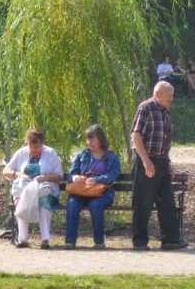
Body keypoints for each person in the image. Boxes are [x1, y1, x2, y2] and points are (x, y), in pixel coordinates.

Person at [129, 81, 187, 250]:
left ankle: (170, 240)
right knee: (143, 203)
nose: (172, 98)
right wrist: (146, 162)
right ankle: (139, 242)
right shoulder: (146, 108)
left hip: (161, 161)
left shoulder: (165, 112)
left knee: (167, 202)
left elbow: (165, 141)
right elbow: (136, 135)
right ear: (158, 94)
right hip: (145, 160)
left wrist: (168, 163)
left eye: (172, 95)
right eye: (169, 95)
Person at [2, 128, 64, 248]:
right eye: (31, 147)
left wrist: (45, 177)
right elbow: (6, 171)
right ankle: (23, 239)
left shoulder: (51, 153)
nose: (34, 150)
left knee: (44, 204)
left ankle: (45, 240)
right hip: (25, 190)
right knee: (22, 203)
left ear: (42, 143)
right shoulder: (21, 153)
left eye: (37, 147)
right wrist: (18, 174)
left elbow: (59, 176)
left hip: (44, 191)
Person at [64, 124, 122, 249]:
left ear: (100, 139)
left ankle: (99, 242)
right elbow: (71, 174)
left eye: (92, 139)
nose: (89, 142)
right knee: (72, 203)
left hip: (102, 192)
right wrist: (75, 178)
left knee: (95, 205)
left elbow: (113, 174)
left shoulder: (111, 157)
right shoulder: (82, 155)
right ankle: (70, 241)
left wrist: (97, 179)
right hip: (82, 191)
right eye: (88, 139)